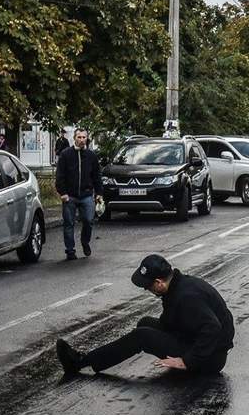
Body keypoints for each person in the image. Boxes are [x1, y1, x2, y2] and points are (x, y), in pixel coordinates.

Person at [56, 254, 235, 376]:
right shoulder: (177, 286)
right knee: (145, 323)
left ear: (159, 282)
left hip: (211, 359)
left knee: (142, 336)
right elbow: (175, 320)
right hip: (197, 342)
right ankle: (98, 358)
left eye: (147, 286)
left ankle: (79, 362)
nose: (146, 289)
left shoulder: (187, 296)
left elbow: (213, 328)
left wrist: (187, 361)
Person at [55, 128, 103, 260]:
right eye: (79, 137)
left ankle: (85, 241)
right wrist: (63, 193)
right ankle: (70, 251)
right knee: (69, 223)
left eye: (84, 137)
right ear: (74, 138)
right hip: (69, 195)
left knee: (88, 220)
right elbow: (60, 176)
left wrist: (99, 193)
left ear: (87, 139)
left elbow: (96, 176)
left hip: (87, 194)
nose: (82, 140)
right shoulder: (66, 155)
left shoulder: (91, 156)